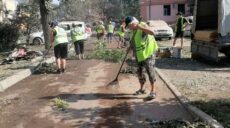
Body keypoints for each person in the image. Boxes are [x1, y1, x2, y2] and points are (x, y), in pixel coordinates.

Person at [125, 16, 159, 100]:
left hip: (148, 53)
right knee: (140, 73)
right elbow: (133, 41)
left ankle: (153, 91)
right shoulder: (133, 31)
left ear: (133, 23)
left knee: (150, 71)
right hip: (139, 55)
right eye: (128, 26)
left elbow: (152, 32)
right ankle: (142, 89)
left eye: (129, 25)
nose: (129, 28)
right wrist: (129, 48)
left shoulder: (142, 25)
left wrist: (140, 27)